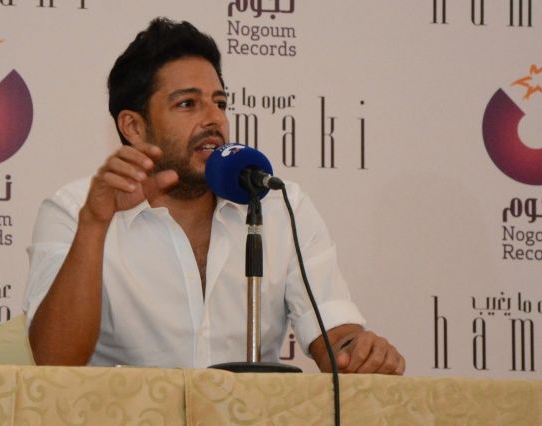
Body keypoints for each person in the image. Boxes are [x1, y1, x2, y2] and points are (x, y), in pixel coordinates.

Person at [23, 17, 405, 375]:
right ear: (134, 127)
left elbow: (337, 340)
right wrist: (94, 225)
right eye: (187, 104)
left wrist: (361, 352)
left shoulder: (278, 204)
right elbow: (55, 362)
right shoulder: (75, 211)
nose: (214, 119)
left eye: (219, 103)